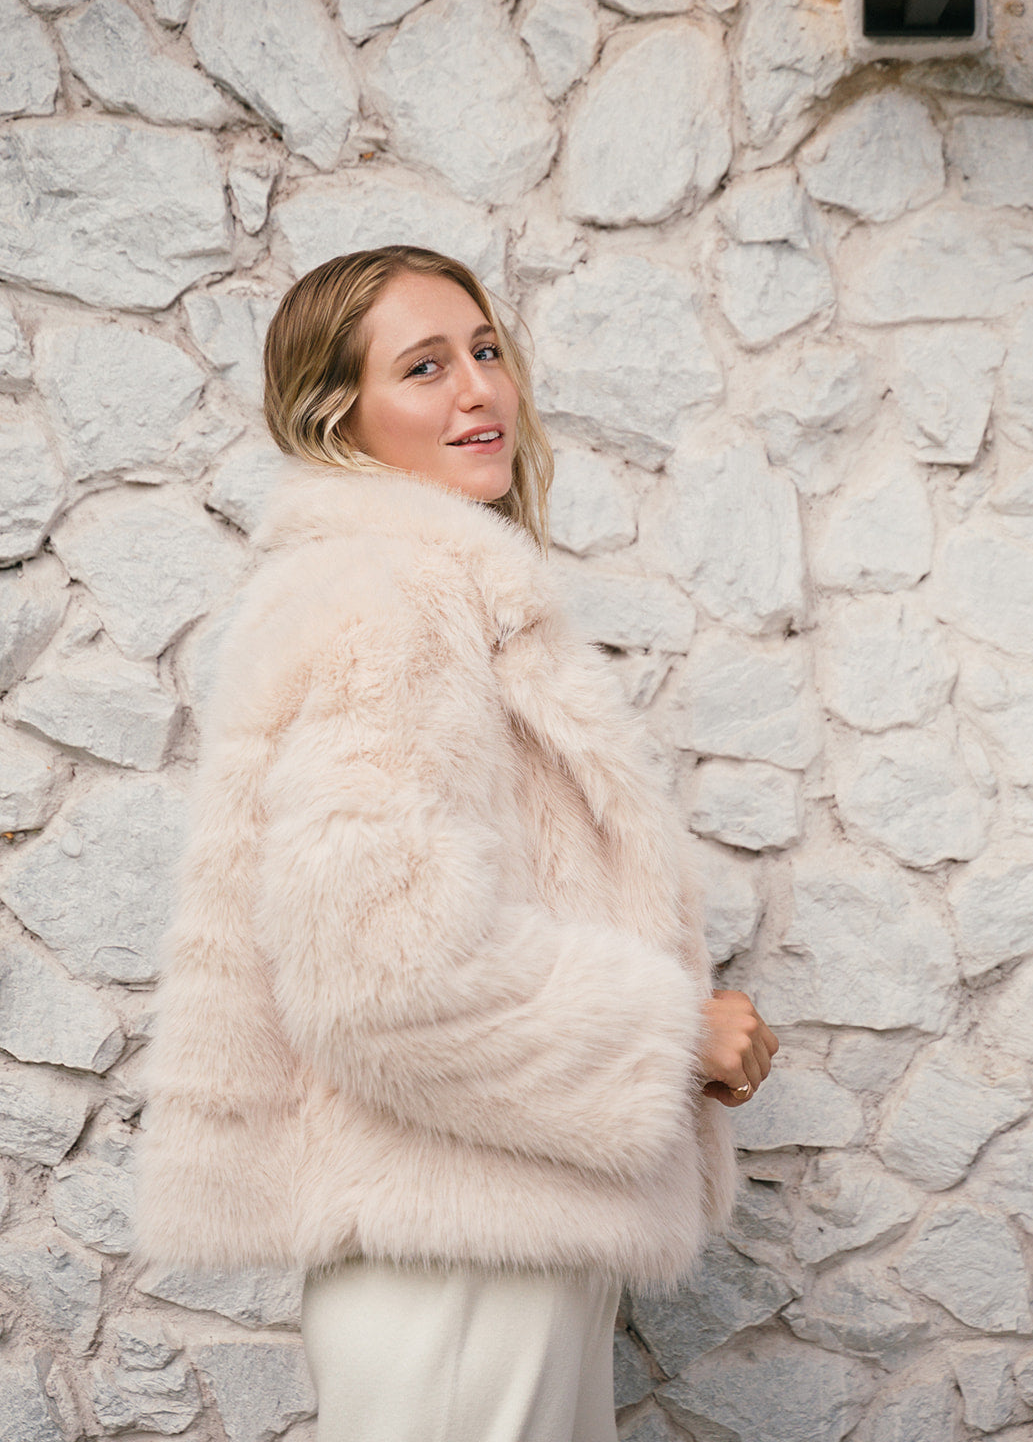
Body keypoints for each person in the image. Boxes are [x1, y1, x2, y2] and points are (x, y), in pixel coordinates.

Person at [135, 245, 779, 1442]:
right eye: (424, 367)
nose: (480, 389)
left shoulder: (428, 594)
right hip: (459, 1267)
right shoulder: (394, 599)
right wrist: (671, 1034)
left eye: (485, 349)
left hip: (496, 1238)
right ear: (338, 416)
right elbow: (382, 979)